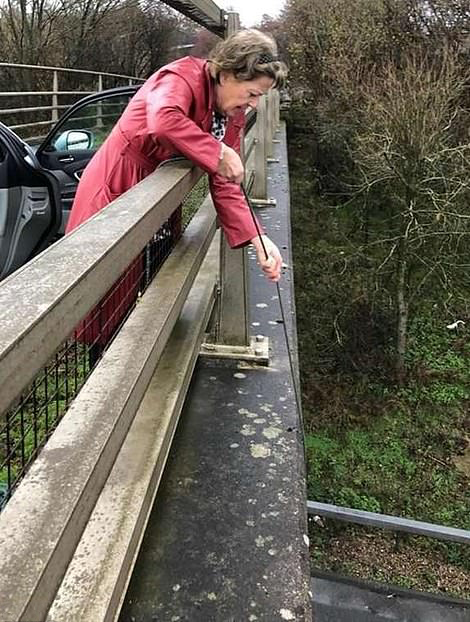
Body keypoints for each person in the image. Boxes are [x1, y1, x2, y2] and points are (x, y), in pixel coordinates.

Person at [66, 29, 287, 282]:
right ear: (226, 75)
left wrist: (257, 238)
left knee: (143, 278)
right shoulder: (181, 77)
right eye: (252, 94)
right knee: (99, 279)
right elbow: (164, 119)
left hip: (156, 190)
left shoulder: (229, 112)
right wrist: (217, 151)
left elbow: (227, 177)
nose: (254, 105)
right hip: (117, 182)